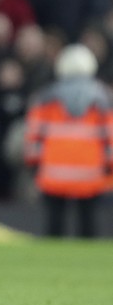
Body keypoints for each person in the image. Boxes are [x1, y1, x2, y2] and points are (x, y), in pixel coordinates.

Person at [23, 44, 113, 237]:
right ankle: (87, 265)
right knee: (88, 224)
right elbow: (110, 137)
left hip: (54, 172)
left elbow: (34, 137)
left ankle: (50, 264)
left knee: (54, 225)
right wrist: (109, 166)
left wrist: (33, 166)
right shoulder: (103, 98)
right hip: (91, 173)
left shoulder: (46, 97)